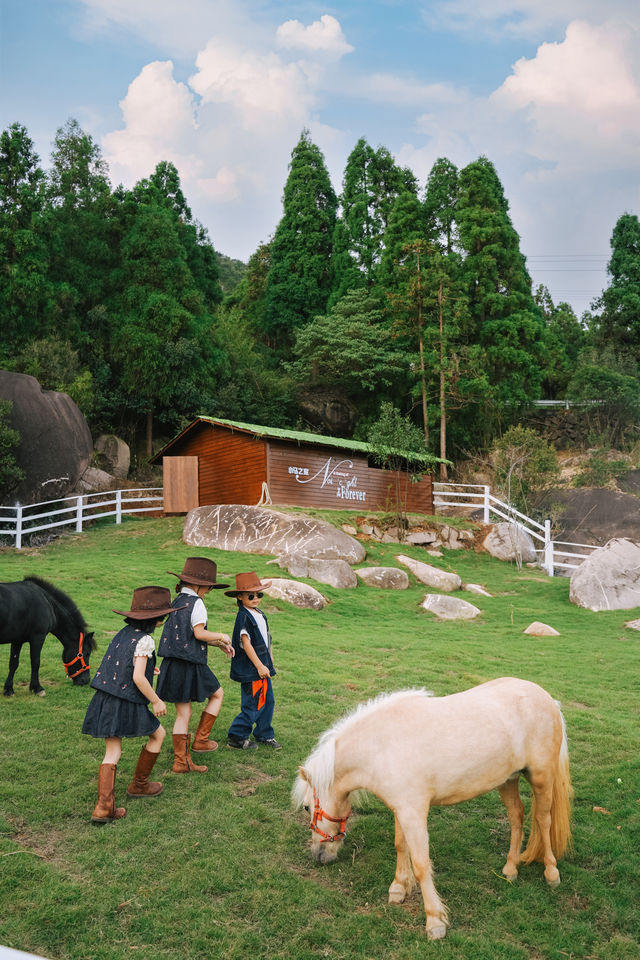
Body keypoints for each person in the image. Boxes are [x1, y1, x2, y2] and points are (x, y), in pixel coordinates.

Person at [82, 585, 180, 825]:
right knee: (158, 734)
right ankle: (139, 785)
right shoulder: (145, 640)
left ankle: (103, 808)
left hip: (105, 698)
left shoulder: (124, 632)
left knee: (113, 752)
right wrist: (155, 700)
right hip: (126, 701)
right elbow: (137, 678)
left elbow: (121, 664)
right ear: (157, 620)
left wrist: (148, 668)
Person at [156, 557, 234, 774]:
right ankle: (199, 742)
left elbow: (190, 636)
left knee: (184, 714)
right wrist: (222, 636)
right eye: (208, 587)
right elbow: (199, 633)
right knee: (217, 694)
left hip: (171, 664)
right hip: (190, 664)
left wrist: (218, 645)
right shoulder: (197, 603)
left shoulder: (177, 601)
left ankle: (182, 761)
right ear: (198, 585)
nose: (208, 591)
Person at [225, 572, 280, 750]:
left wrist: (269, 659)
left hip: (263, 666)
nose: (255, 598)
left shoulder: (258, 613)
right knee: (254, 703)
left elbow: (266, 638)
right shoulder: (243, 617)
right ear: (240, 597)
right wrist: (259, 665)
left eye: (259, 594)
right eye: (251, 595)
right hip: (252, 669)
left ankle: (264, 734)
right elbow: (246, 643)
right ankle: (236, 736)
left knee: (268, 701)